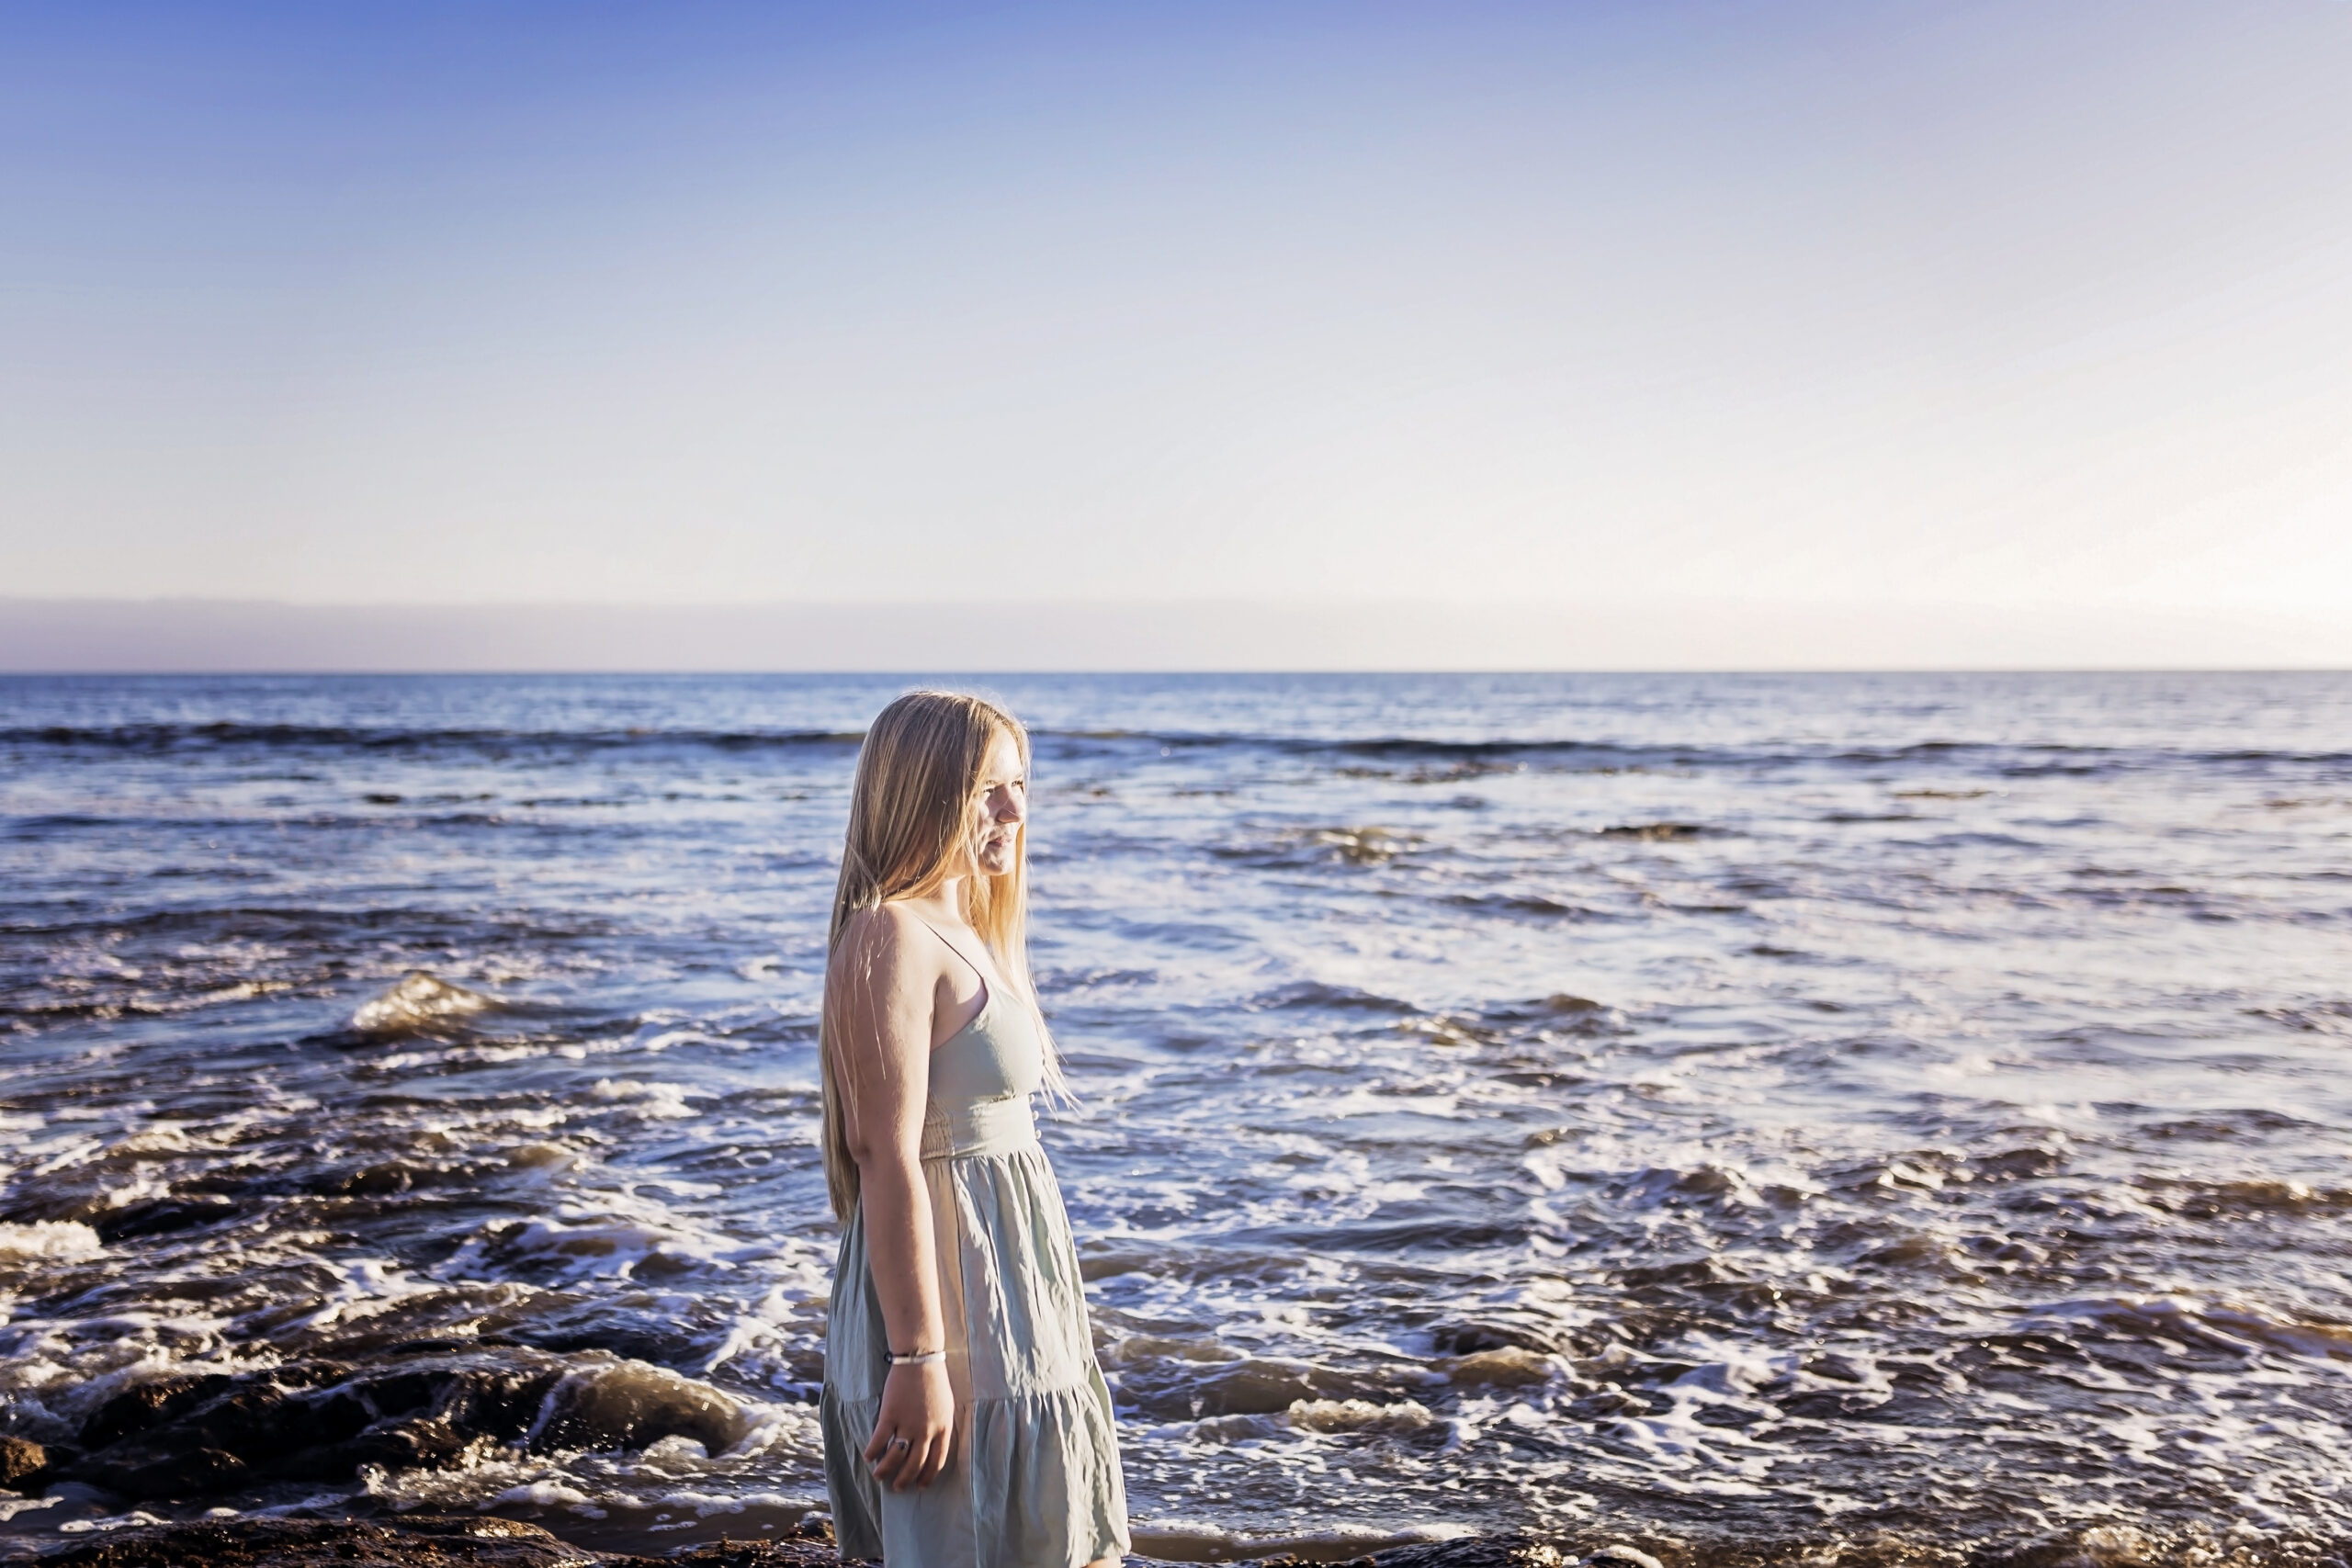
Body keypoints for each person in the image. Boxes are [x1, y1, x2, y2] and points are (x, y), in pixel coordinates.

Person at [818, 691, 1128, 1568]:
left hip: (1011, 1272)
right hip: (947, 1292)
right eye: (990, 789)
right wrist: (917, 1359)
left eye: (1021, 784)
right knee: (964, 1536)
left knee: (1056, 1535)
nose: (1017, 810)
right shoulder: (891, 934)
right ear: (925, 792)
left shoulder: (970, 927)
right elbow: (886, 1155)